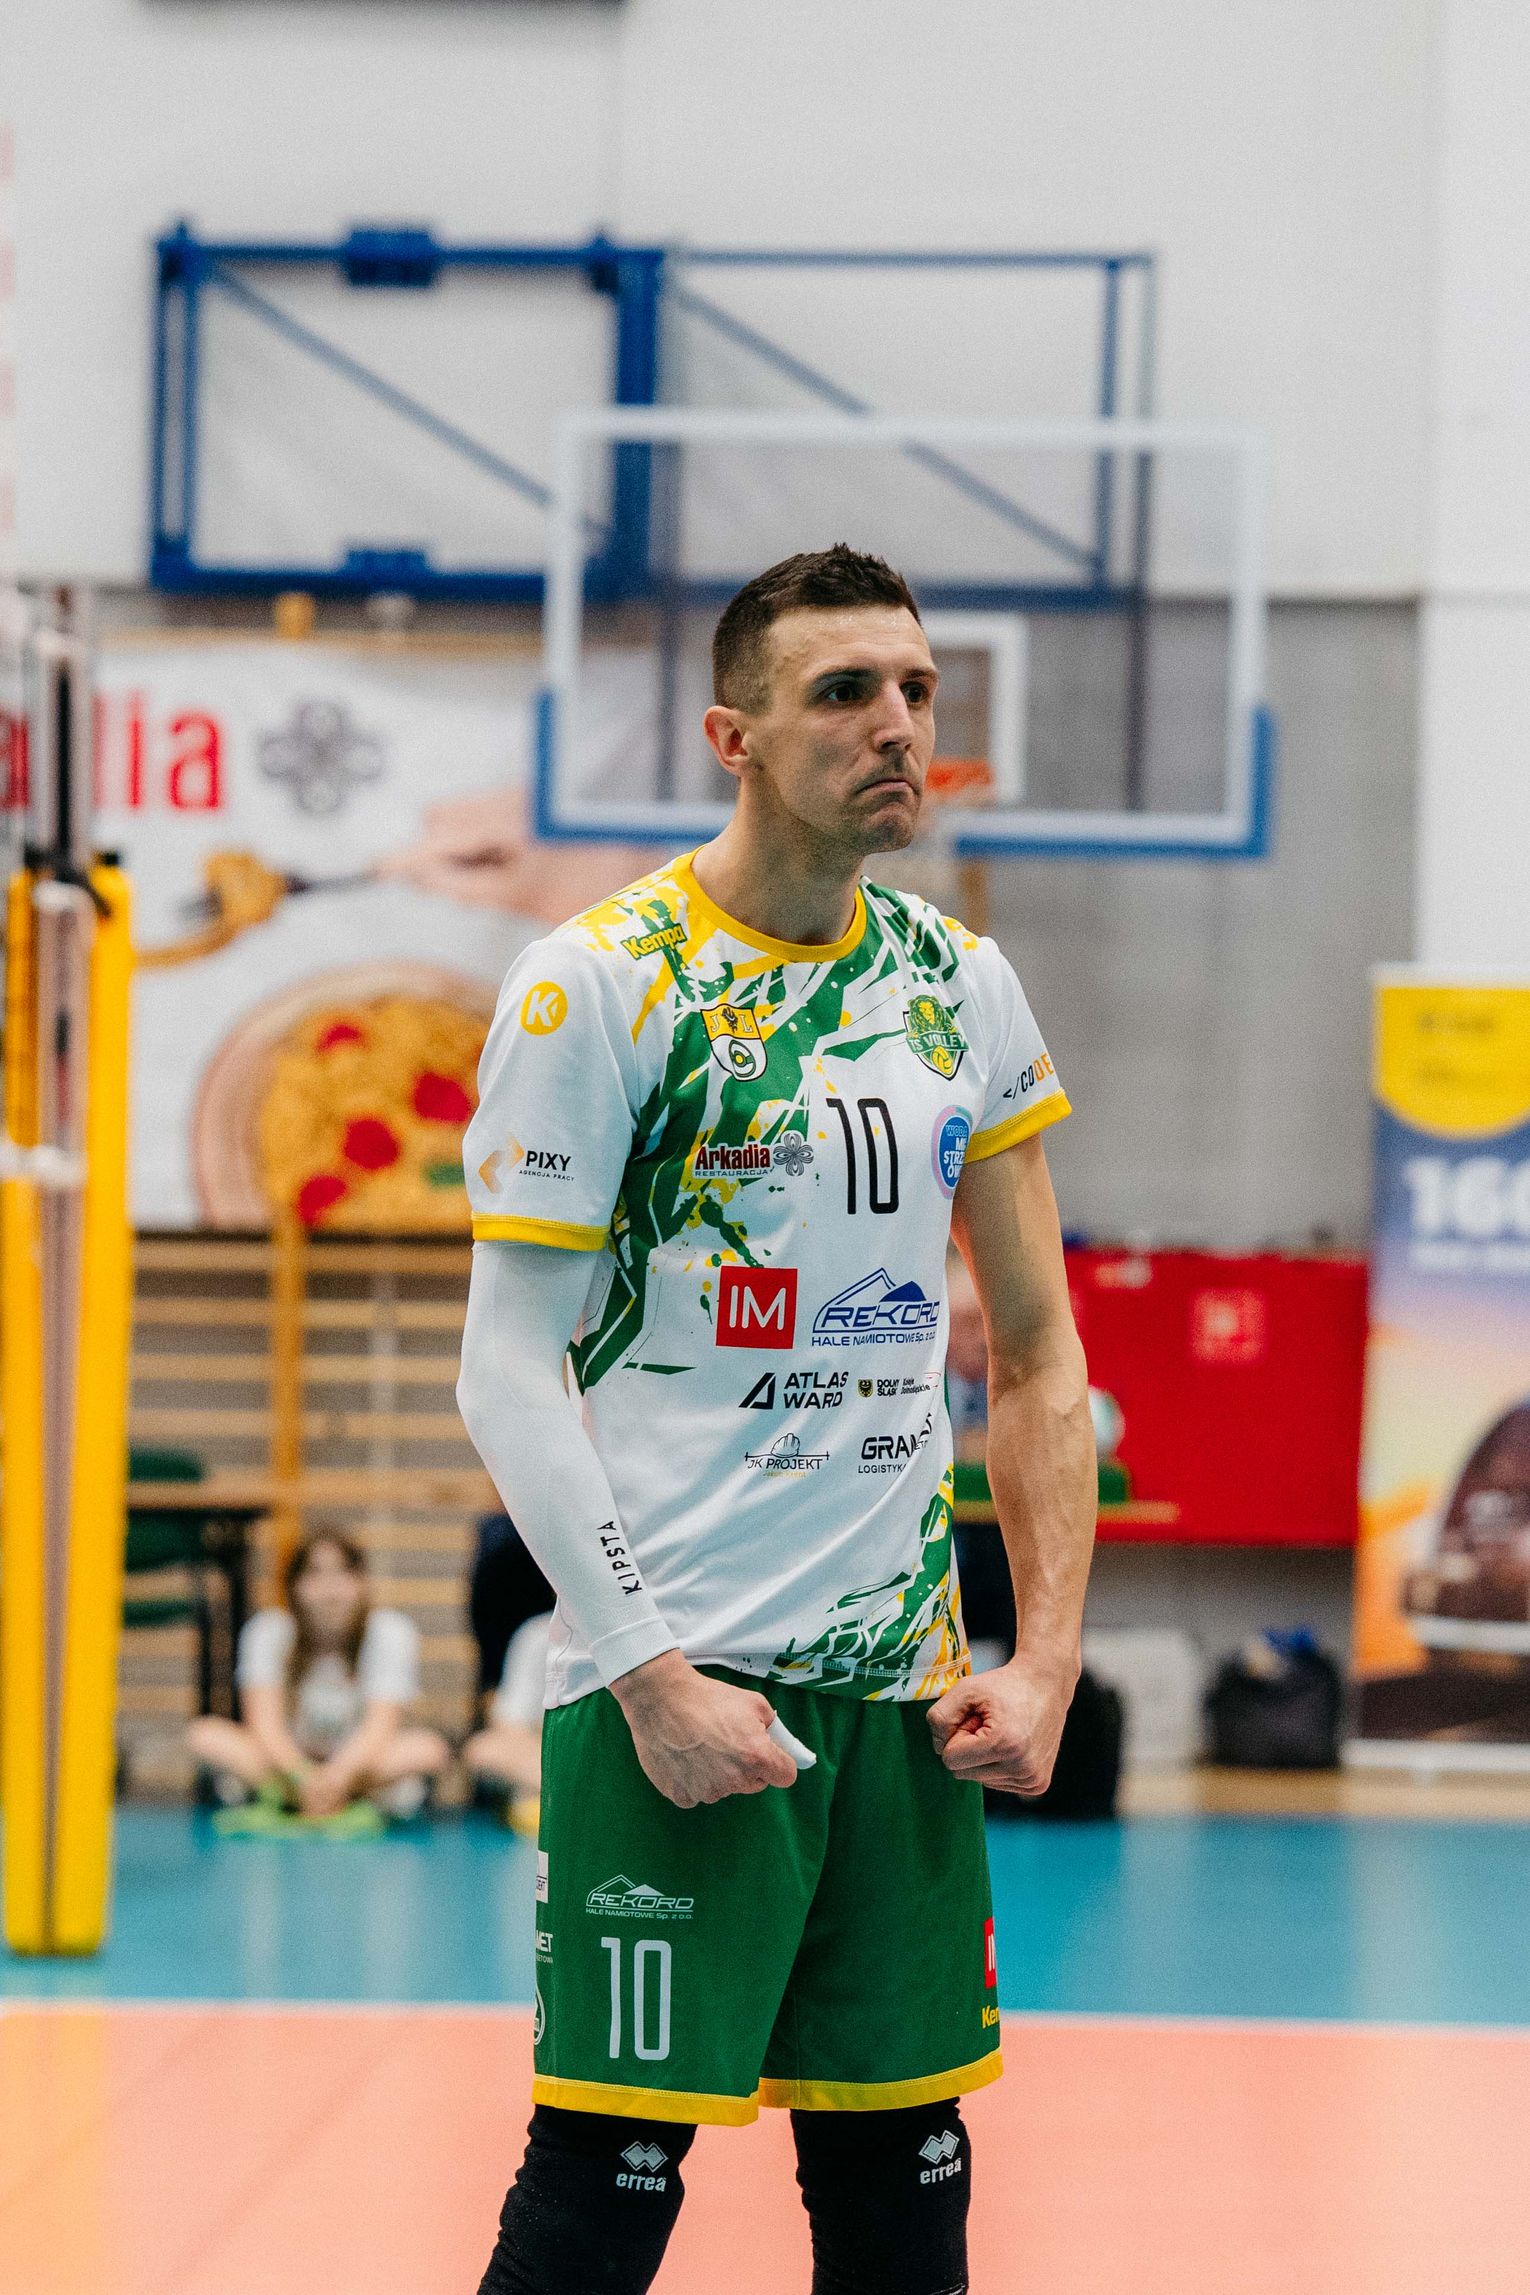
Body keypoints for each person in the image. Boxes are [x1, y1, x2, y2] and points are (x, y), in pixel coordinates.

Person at [456, 544, 1097, 2295]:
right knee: (602, 2192)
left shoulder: (959, 983)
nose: (897, 725)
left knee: (907, 2198)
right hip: (677, 1682)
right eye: (844, 692)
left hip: (900, 1696)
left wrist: (1045, 1659)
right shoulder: (599, 983)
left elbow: (1039, 1355)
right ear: (732, 735)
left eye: (916, 690)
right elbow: (503, 1367)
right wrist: (648, 1676)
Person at [187, 1527, 449, 1821]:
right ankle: (327, 1797)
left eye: (343, 1573)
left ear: (362, 1583)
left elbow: (379, 1728)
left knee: (426, 1749)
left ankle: (314, 1796)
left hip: (360, 1768)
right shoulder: (267, 1630)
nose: (330, 1590)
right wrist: (301, 1776)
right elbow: (264, 1724)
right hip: (285, 1767)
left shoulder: (390, 1632)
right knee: (205, 1736)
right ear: (293, 1586)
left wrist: (338, 1777)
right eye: (315, 1574)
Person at [463, 1610, 554, 1834]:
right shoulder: (537, 1633)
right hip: (546, 1759)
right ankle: (567, 1794)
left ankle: (565, 1796)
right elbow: (508, 1723)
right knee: (482, 1750)